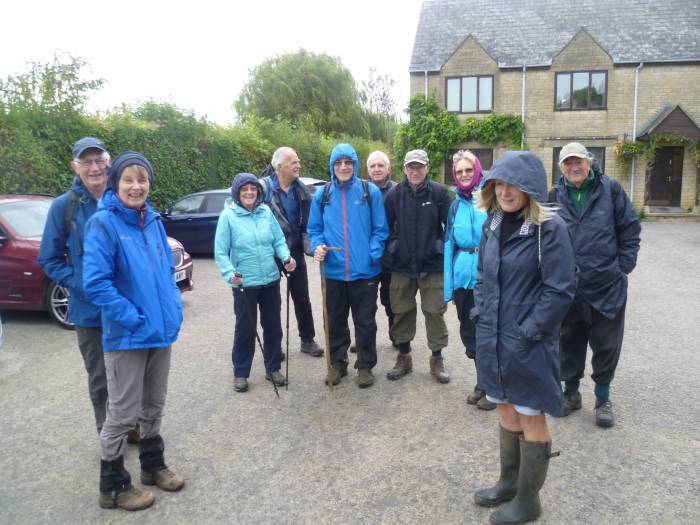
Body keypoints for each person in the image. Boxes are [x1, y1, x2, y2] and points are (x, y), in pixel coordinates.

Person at [471, 151, 575, 525]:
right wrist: (480, 311)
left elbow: (560, 290)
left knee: (531, 414)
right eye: (499, 183)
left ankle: (528, 501)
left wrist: (530, 330)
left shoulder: (551, 229)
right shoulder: (493, 223)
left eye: (513, 184)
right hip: (493, 338)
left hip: (527, 341)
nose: (505, 191)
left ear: (529, 186)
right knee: (504, 407)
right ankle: (509, 483)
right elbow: (483, 275)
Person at [83, 152, 185, 511]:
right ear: (116, 183)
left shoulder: (153, 221)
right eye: (128, 179)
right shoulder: (104, 224)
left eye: (142, 179)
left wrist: (172, 309)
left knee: (154, 404)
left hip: (160, 332)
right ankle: (112, 485)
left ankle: (152, 467)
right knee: (122, 414)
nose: (136, 186)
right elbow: (95, 283)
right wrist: (133, 318)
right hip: (127, 335)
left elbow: (166, 273)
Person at [549, 142, 641, 428]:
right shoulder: (553, 196)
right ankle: (571, 394)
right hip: (569, 289)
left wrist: (623, 267)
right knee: (568, 342)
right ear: (561, 167)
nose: (574, 167)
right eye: (568, 163)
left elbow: (630, 228)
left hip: (606, 286)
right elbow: (544, 238)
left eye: (579, 162)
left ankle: (602, 399)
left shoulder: (610, 190)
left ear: (589, 162)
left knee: (606, 345)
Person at [38, 137, 114, 436]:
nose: (94, 167)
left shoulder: (121, 197)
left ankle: (129, 425)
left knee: (130, 374)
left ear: (109, 163)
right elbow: (49, 259)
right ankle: (108, 434)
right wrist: (82, 283)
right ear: (75, 166)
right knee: (100, 378)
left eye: (99, 161)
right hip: (89, 311)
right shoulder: (64, 206)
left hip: (124, 307)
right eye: (87, 162)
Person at [307, 143, 388, 388]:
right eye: (338, 163)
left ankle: (365, 366)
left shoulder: (368, 191)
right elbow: (314, 230)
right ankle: (337, 364)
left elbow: (380, 230)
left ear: (354, 164)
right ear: (332, 166)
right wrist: (318, 246)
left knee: (365, 322)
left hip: (364, 273)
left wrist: (371, 255)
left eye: (348, 162)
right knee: (335, 321)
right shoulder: (323, 194)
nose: (343, 167)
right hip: (332, 272)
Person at [215, 172, 296, 393]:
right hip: (244, 283)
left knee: (273, 327)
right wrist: (230, 273)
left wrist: (286, 258)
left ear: (259, 192)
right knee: (245, 329)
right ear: (237, 193)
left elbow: (278, 240)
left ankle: (273, 368)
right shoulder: (228, 216)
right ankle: (241, 372)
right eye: (244, 189)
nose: (249, 192)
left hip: (270, 279)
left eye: (253, 189)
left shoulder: (265, 211)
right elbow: (221, 252)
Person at [382, 149, 452, 383]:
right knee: (401, 311)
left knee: (434, 312)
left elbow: (449, 226)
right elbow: (386, 226)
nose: (415, 171)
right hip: (401, 265)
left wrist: (439, 247)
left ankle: (437, 358)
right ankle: (404, 357)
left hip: (432, 264)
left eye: (419, 166)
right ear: (404, 169)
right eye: (410, 167)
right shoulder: (393, 195)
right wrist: (393, 246)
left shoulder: (440, 193)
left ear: (427, 168)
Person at [259, 147, 323, 357]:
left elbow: (306, 226)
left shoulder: (302, 192)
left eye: (298, 161)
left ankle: (307, 340)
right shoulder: (262, 189)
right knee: (272, 302)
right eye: (293, 162)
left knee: (302, 297)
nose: (298, 165)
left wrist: (311, 247)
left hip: (293, 250)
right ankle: (274, 347)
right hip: (269, 254)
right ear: (279, 167)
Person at [443, 150, 494, 410]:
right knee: (470, 333)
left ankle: (493, 386)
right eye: (459, 171)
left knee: (489, 333)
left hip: (489, 277)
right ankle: (482, 382)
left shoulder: (491, 198)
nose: (464, 175)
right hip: (463, 277)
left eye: (468, 170)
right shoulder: (455, 205)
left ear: (477, 171)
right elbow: (450, 244)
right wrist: (448, 287)